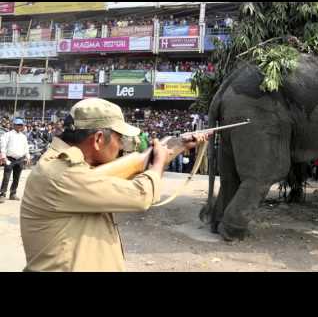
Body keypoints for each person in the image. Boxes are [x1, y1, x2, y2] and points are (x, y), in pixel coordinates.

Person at [20, 98, 209, 272]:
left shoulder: (67, 165)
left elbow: (109, 178)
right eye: (119, 139)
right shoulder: (63, 172)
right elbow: (141, 195)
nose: (120, 147)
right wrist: (158, 162)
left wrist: (176, 147)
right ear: (98, 139)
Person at [0, 118, 31, 202]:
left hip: (20, 159)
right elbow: (3, 146)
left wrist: (28, 156)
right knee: (6, 177)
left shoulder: (23, 136)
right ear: (14, 125)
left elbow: (26, 148)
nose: (19, 126)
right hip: (9, 158)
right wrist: (3, 156)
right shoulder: (8, 134)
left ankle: (13, 194)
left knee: (16, 178)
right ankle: (2, 194)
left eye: (21, 125)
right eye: (17, 125)